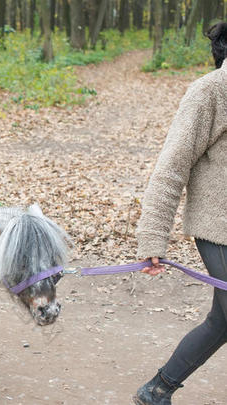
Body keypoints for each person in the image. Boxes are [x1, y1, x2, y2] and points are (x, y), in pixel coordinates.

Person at [133, 21, 227, 405]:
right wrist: (154, 235)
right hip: (217, 227)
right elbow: (172, 166)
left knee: (223, 321)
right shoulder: (210, 91)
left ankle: (158, 390)